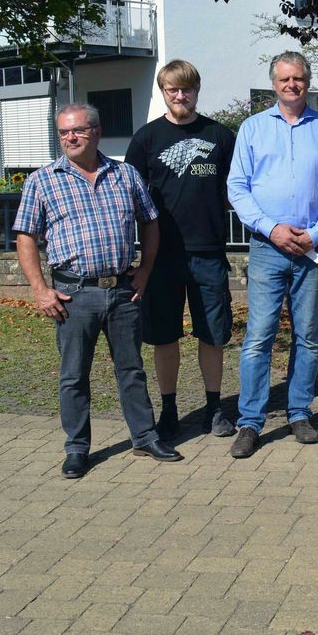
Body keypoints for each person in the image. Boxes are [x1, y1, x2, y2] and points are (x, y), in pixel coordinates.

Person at [13, 103, 182, 478]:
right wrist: (40, 289)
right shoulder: (42, 181)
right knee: (73, 375)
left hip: (123, 291)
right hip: (74, 294)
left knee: (131, 369)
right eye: (63, 133)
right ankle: (76, 449)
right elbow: (25, 238)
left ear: (96, 132)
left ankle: (144, 436)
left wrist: (146, 270)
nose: (69, 138)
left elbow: (150, 223)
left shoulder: (125, 175)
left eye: (77, 131)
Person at [226, 51, 318, 458]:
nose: (291, 85)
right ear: (273, 84)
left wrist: (315, 234)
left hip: (312, 247)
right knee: (259, 336)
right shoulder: (252, 129)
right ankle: (250, 421)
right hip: (267, 247)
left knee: (308, 337)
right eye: (284, 79)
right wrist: (272, 228)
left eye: (298, 78)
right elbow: (238, 188)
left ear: (307, 81)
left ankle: (299, 412)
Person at [125, 59, 237, 441]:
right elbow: (133, 200)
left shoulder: (220, 136)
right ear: (163, 92)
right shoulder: (146, 139)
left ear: (196, 90)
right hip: (162, 255)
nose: (180, 95)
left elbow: (233, 191)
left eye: (186, 89)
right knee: (164, 336)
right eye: (172, 89)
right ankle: (169, 409)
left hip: (208, 251)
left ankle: (214, 408)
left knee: (212, 335)